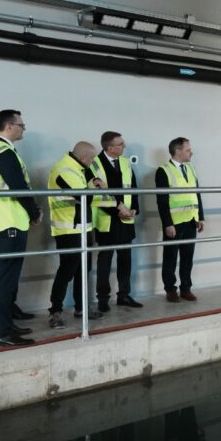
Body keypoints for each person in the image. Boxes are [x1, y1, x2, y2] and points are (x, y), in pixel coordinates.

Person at [0, 110, 41, 347]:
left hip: (3, 220)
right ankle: (2, 332)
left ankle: (5, 324)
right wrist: (34, 212)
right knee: (5, 279)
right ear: (9, 126)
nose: (24, 129)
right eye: (21, 125)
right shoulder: (3, 151)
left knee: (4, 278)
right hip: (9, 220)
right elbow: (19, 187)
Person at [47, 142, 105, 328]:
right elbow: (83, 197)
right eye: (92, 158)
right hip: (68, 229)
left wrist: (94, 181)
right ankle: (55, 311)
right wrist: (96, 188)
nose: (93, 161)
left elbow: (90, 179)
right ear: (82, 158)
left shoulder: (78, 167)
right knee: (67, 271)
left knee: (83, 270)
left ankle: (81, 308)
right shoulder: (64, 170)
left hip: (83, 228)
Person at [92, 131, 142, 312]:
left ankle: (124, 295)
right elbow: (96, 195)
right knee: (105, 261)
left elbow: (133, 188)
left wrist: (134, 208)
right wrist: (117, 212)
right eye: (120, 144)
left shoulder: (125, 162)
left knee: (125, 259)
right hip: (107, 220)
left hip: (127, 218)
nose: (124, 146)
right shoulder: (94, 164)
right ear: (109, 147)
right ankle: (102, 298)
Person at [156, 137, 205, 303]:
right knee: (170, 257)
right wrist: (167, 224)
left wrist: (201, 217)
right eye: (188, 150)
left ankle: (186, 288)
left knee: (187, 257)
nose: (191, 152)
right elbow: (162, 201)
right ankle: (170, 290)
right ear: (177, 151)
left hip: (191, 219)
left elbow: (197, 194)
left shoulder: (190, 168)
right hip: (174, 222)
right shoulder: (163, 170)